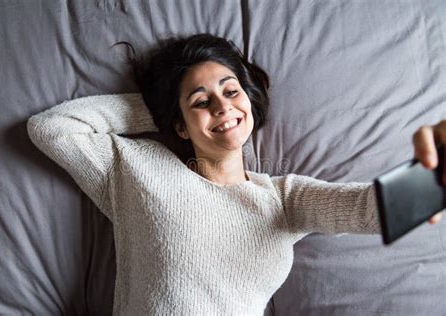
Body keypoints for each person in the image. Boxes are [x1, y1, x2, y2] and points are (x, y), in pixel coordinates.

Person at [27, 33, 444, 315]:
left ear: (249, 100)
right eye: (201, 101)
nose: (222, 107)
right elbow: (52, 129)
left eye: (230, 91)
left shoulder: (285, 199)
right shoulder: (137, 168)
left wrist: (433, 177)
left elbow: (367, 209)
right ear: (177, 124)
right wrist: (158, 108)